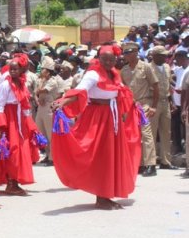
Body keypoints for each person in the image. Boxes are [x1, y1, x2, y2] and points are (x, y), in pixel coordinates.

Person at [52, 45, 141, 209]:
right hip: (98, 119)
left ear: (116, 59)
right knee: (101, 156)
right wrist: (63, 102)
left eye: (111, 59)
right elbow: (79, 91)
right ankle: (101, 197)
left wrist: (134, 104)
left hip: (112, 117)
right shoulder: (93, 73)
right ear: (99, 58)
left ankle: (106, 194)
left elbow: (120, 93)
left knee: (111, 156)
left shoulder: (114, 74)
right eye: (105, 58)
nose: (108, 61)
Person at [0, 53, 39, 195]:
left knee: (21, 149)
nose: (13, 71)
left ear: (21, 70)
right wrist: (1, 126)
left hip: (19, 117)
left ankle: (15, 181)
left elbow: (25, 104)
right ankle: (10, 182)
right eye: (11, 69)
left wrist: (30, 123)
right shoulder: (5, 84)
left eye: (15, 69)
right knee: (12, 150)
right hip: (10, 118)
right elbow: (0, 105)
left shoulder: (22, 83)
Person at [120, 42, 159, 177]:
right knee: (134, 135)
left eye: (130, 52)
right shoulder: (124, 70)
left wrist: (153, 106)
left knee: (146, 133)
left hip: (144, 104)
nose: (127, 55)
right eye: (125, 53)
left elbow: (155, 86)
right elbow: (123, 89)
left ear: (136, 52)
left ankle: (151, 164)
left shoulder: (146, 67)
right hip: (130, 106)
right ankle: (140, 164)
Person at [148, 46, 177, 170]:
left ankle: (166, 161)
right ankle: (151, 162)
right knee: (151, 133)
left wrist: (172, 102)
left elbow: (168, 85)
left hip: (165, 101)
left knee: (166, 132)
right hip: (152, 102)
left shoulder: (166, 67)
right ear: (155, 56)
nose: (165, 57)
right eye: (162, 55)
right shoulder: (147, 67)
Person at [35, 56, 60, 165]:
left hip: (49, 108)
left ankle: (52, 157)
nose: (41, 71)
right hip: (40, 107)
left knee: (50, 134)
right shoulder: (40, 80)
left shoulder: (52, 81)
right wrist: (37, 98)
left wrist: (40, 84)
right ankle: (47, 153)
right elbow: (35, 93)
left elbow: (41, 90)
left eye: (44, 69)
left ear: (49, 72)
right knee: (41, 133)